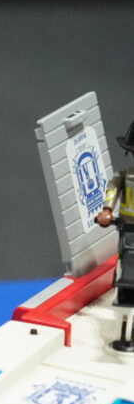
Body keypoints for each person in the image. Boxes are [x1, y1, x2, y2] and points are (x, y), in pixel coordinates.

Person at [95, 120, 134, 350]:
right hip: (128, 228)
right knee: (125, 264)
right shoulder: (124, 176)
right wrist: (107, 211)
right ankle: (125, 320)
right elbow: (112, 190)